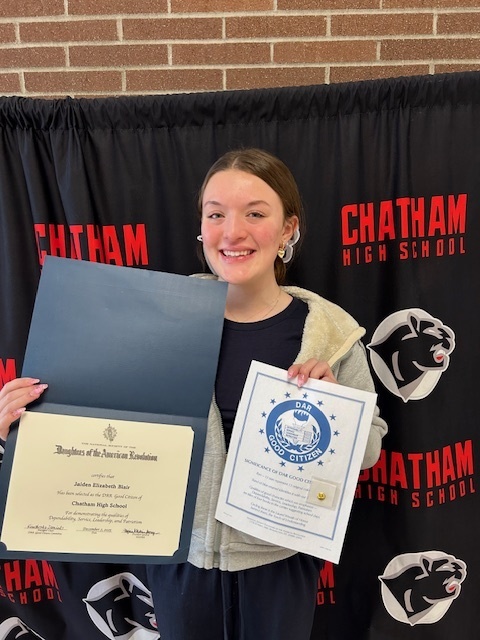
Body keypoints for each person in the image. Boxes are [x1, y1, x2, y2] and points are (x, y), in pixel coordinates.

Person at [0, 148, 387, 640]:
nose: (233, 232)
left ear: (289, 229)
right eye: (216, 214)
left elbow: (370, 449)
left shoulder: (329, 334)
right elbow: (96, 420)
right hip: (180, 559)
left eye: (255, 213)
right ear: (201, 228)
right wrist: (26, 424)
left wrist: (336, 414)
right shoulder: (156, 320)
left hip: (282, 563)